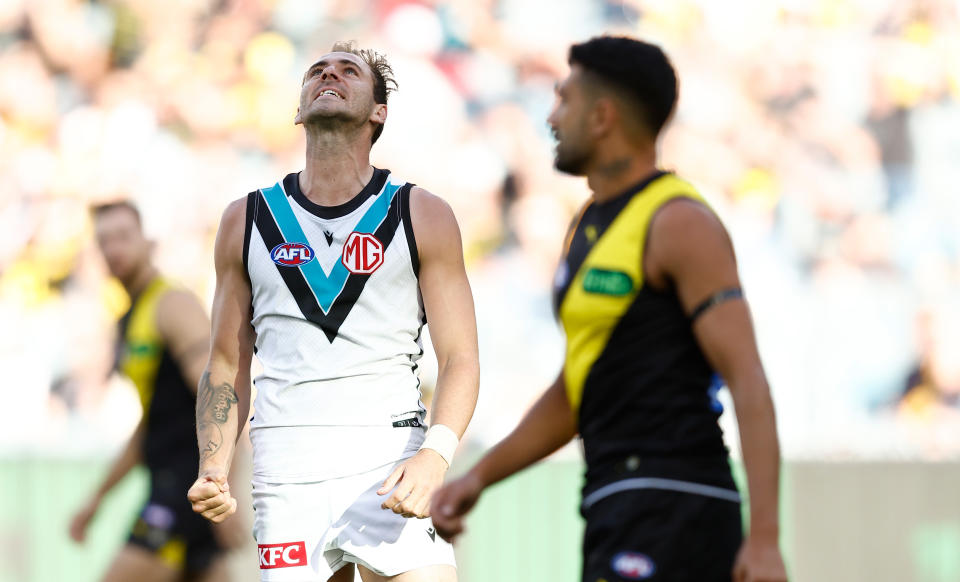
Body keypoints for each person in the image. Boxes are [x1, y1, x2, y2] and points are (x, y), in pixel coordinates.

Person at [432, 35, 788, 582]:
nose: (551, 116)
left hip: (677, 500)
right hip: (614, 500)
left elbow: (747, 377)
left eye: (564, 99)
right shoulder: (587, 224)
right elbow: (578, 388)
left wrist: (764, 538)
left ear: (602, 117)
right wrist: (477, 478)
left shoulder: (680, 223)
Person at [186, 41, 480, 582]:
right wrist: (213, 465)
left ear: (378, 111)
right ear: (298, 109)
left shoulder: (422, 213)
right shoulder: (246, 218)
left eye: (349, 71)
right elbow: (225, 365)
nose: (329, 74)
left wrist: (436, 455)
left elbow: (461, 356)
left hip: (391, 457)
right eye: (317, 70)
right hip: (287, 467)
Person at [70, 201, 245, 582]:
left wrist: (224, 486)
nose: (114, 248)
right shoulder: (129, 318)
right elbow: (152, 422)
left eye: (122, 237)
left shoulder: (172, 305)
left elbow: (219, 393)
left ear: (148, 241)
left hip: (187, 488)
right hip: (174, 486)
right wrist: (97, 499)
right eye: (104, 241)